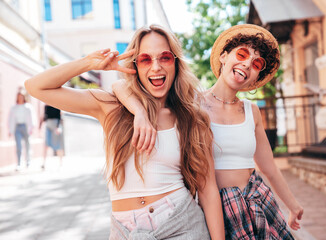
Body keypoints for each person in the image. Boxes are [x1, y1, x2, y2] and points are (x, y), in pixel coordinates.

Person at [25, 25, 224, 239]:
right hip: (125, 231)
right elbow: (36, 87)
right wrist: (89, 63)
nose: (155, 67)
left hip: (181, 225)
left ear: (175, 62)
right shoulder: (111, 106)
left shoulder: (191, 118)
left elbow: (208, 190)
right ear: (135, 66)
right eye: (145, 59)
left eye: (164, 57)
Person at [114, 24, 304, 239]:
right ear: (223, 56)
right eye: (241, 54)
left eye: (256, 63)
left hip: (257, 197)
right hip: (221, 206)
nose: (246, 64)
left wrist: (293, 205)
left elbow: (269, 167)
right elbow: (119, 87)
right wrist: (138, 111)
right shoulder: (191, 104)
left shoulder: (252, 111)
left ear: (256, 76)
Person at [8, 90, 34, 171]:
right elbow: (10, 120)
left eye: (22, 96)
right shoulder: (13, 108)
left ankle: (28, 161)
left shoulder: (28, 107)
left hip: (25, 127)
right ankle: (19, 163)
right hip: (17, 128)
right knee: (18, 146)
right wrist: (10, 130)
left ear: (24, 97)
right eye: (19, 97)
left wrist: (31, 128)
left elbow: (32, 118)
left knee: (27, 145)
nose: (20, 98)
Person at [39, 105, 64, 169]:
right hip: (48, 125)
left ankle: (60, 163)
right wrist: (40, 125)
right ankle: (43, 163)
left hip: (56, 125)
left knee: (58, 144)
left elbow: (59, 116)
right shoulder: (46, 105)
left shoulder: (56, 104)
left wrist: (58, 127)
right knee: (46, 144)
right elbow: (45, 116)